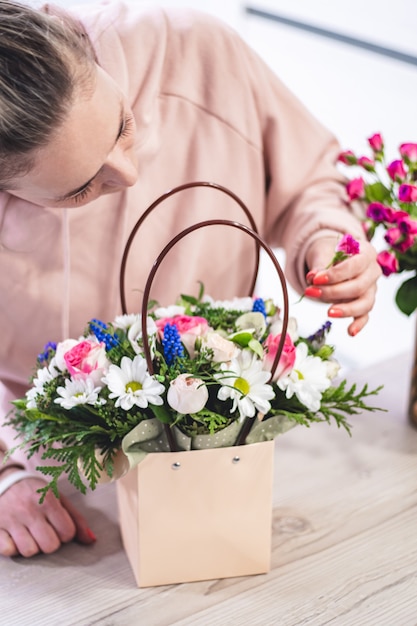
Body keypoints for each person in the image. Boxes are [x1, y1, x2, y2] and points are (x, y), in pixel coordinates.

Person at [0, 0, 381, 559]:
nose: (129, 176)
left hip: (224, 443)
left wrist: (324, 243)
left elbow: (310, 185)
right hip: (47, 478)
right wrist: (6, 474)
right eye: (80, 190)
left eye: (123, 126)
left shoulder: (194, 50)